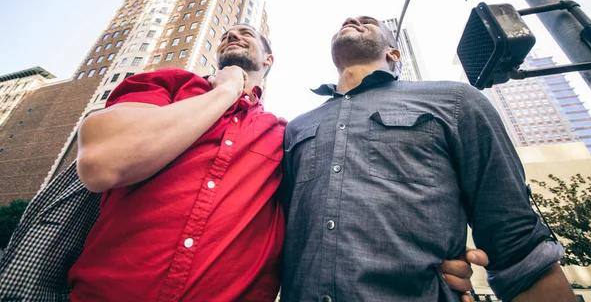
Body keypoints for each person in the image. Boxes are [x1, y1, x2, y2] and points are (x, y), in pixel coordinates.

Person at [1, 24, 485, 301]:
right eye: (230, 31)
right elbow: (104, 164)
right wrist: (228, 88)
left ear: (269, 61)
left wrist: (423, 260)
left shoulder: (287, 133)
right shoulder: (167, 86)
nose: (236, 30)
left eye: (250, 34)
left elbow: (328, 215)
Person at [280, 16, 575, 302]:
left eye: (367, 20)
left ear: (393, 53)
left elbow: (515, 242)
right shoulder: (295, 129)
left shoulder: (457, 101)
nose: (351, 19)